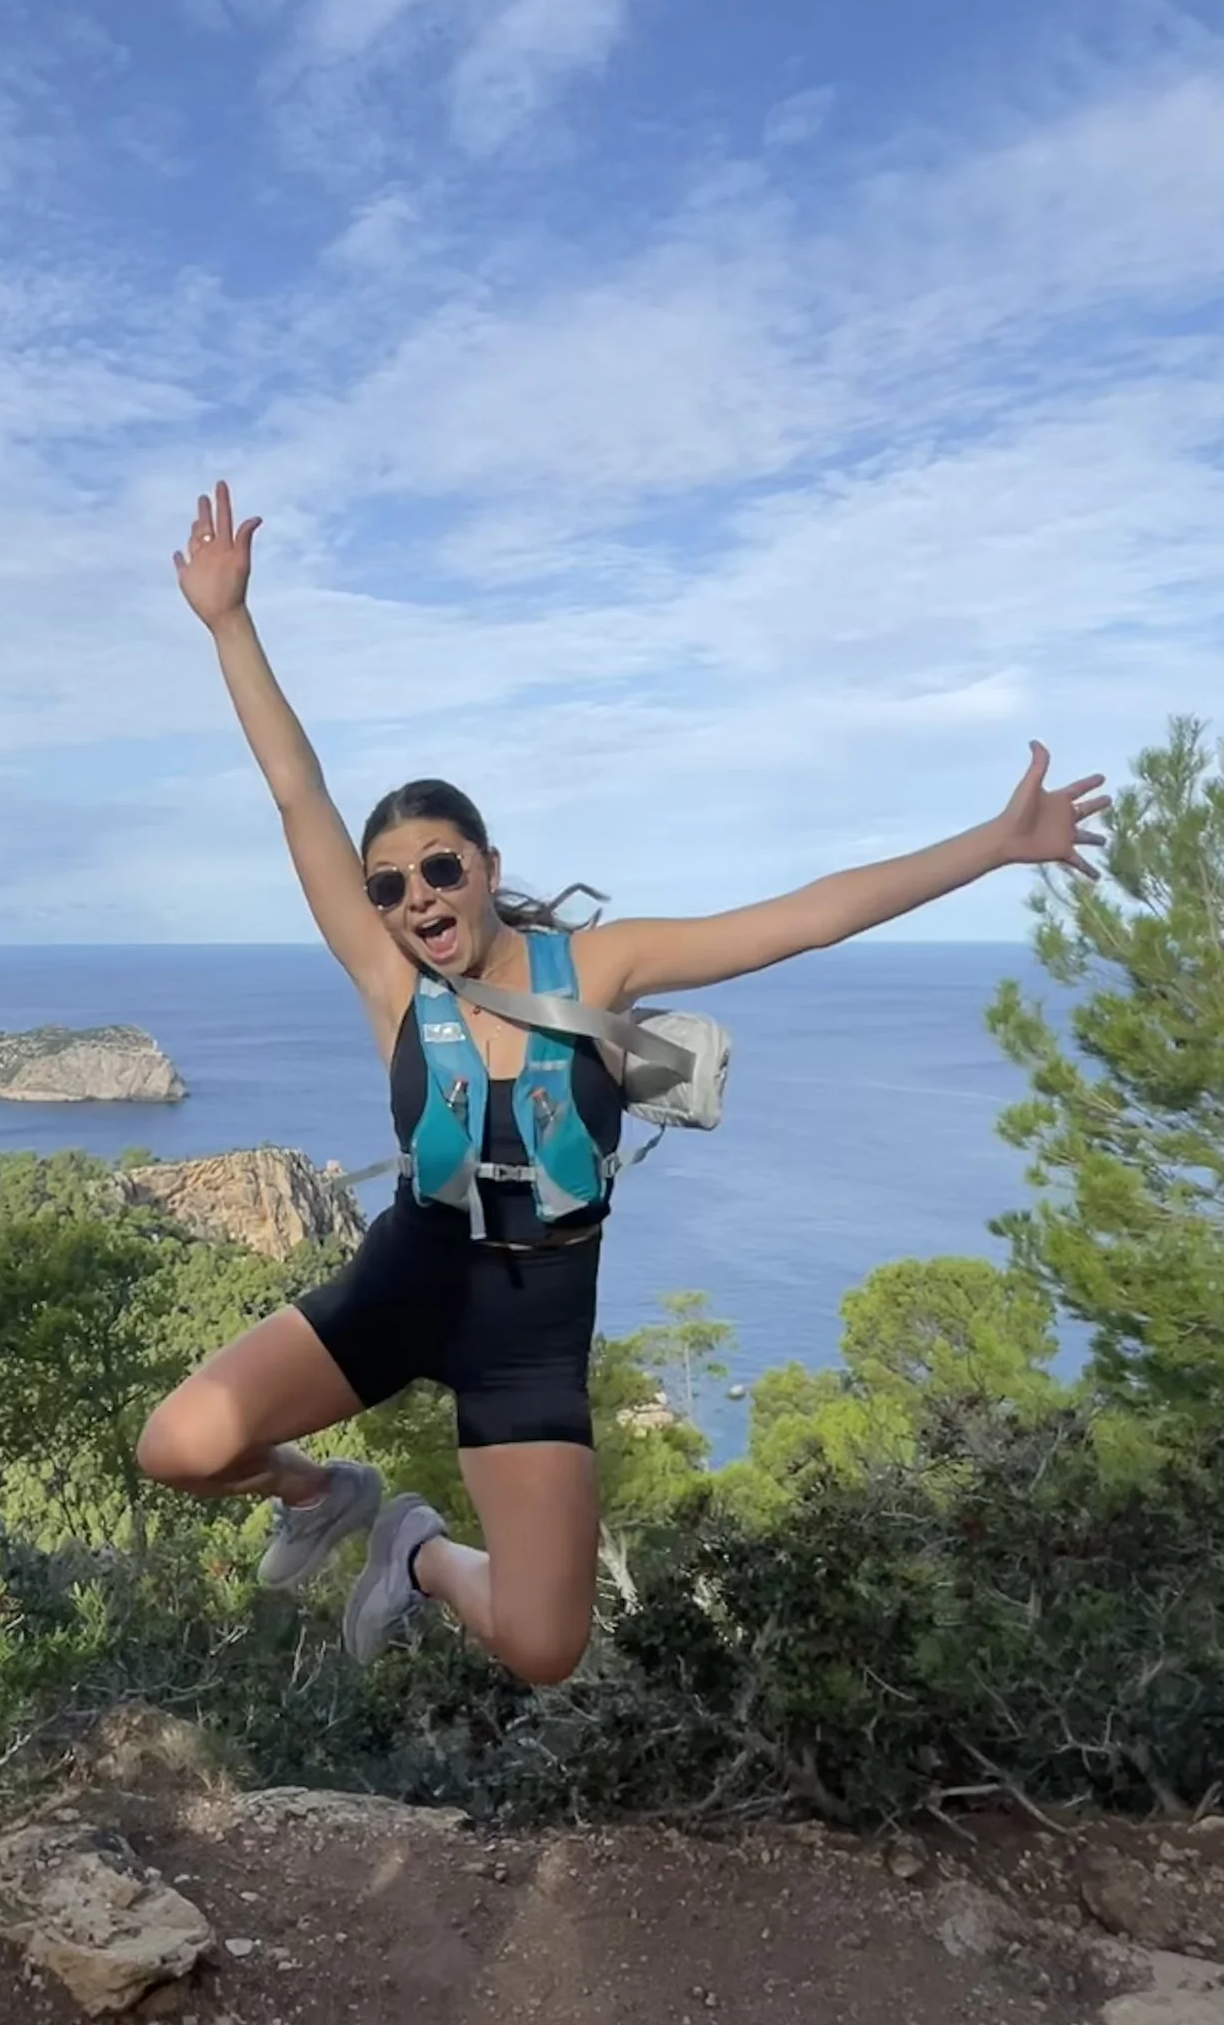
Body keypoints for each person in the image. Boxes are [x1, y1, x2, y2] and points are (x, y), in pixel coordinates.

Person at [133, 479, 1109, 1687]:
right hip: (408, 1275)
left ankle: (417, 1551)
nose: (414, 899)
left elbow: (798, 920)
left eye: (437, 868)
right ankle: (327, 1494)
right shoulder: (393, 989)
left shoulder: (596, 966)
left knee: (545, 1645)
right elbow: (298, 795)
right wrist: (229, 623)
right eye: (388, 886)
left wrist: (992, 844)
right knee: (179, 1444)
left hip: (531, 1328)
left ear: (486, 866)